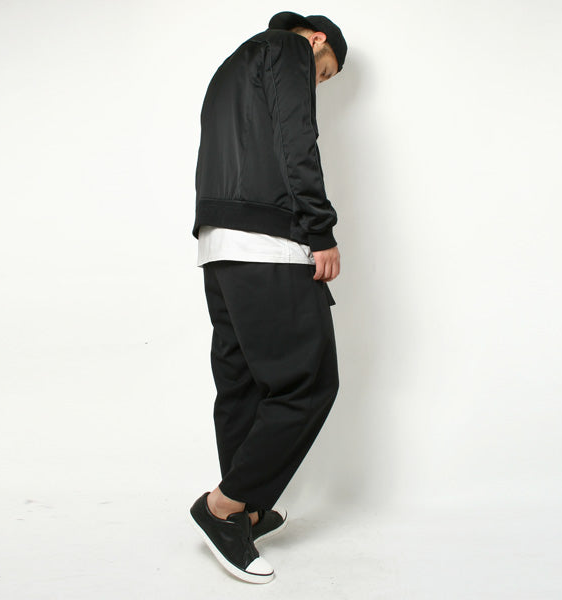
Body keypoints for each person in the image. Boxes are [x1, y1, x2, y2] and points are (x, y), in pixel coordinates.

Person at [189, 11, 347, 584]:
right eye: (324, 73)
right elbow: (295, 137)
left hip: (218, 243)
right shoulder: (287, 48)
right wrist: (320, 230)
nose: (318, 82)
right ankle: (223, 507)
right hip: (267, 242)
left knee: (243, 384)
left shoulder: (232, 67)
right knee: (309, 383)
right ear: (318, 41)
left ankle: (245, 512)